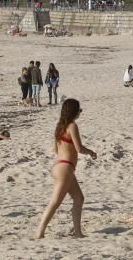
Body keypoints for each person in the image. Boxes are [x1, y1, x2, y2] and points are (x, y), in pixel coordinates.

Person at [34, 99, 98, 238]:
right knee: (55, 201)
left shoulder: (60, 126)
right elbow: (79, 148)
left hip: (59, 166)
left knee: (79, 198)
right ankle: (39, 232)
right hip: (65, 168)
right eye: (79, 110)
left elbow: (55, 149)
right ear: (74, 112)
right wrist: (91, 152)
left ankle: (78, 232)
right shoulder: (72, 126)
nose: (80, 112)